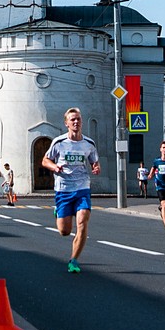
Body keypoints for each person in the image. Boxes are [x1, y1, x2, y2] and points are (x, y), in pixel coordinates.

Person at [42, 107, 101, 274]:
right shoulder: (59, 142)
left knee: (82, 222)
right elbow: (45, 160)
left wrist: (96, 168)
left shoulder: (89, 144)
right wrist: (55, 166)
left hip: (82, 188)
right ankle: (58, 212)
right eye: (72, 119)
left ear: (81, 122)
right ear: (66, 123)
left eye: (78, 119)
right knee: (64, 231)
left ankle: (74, 260)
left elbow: (94, 162)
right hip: (63, 189)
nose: (76, 122)